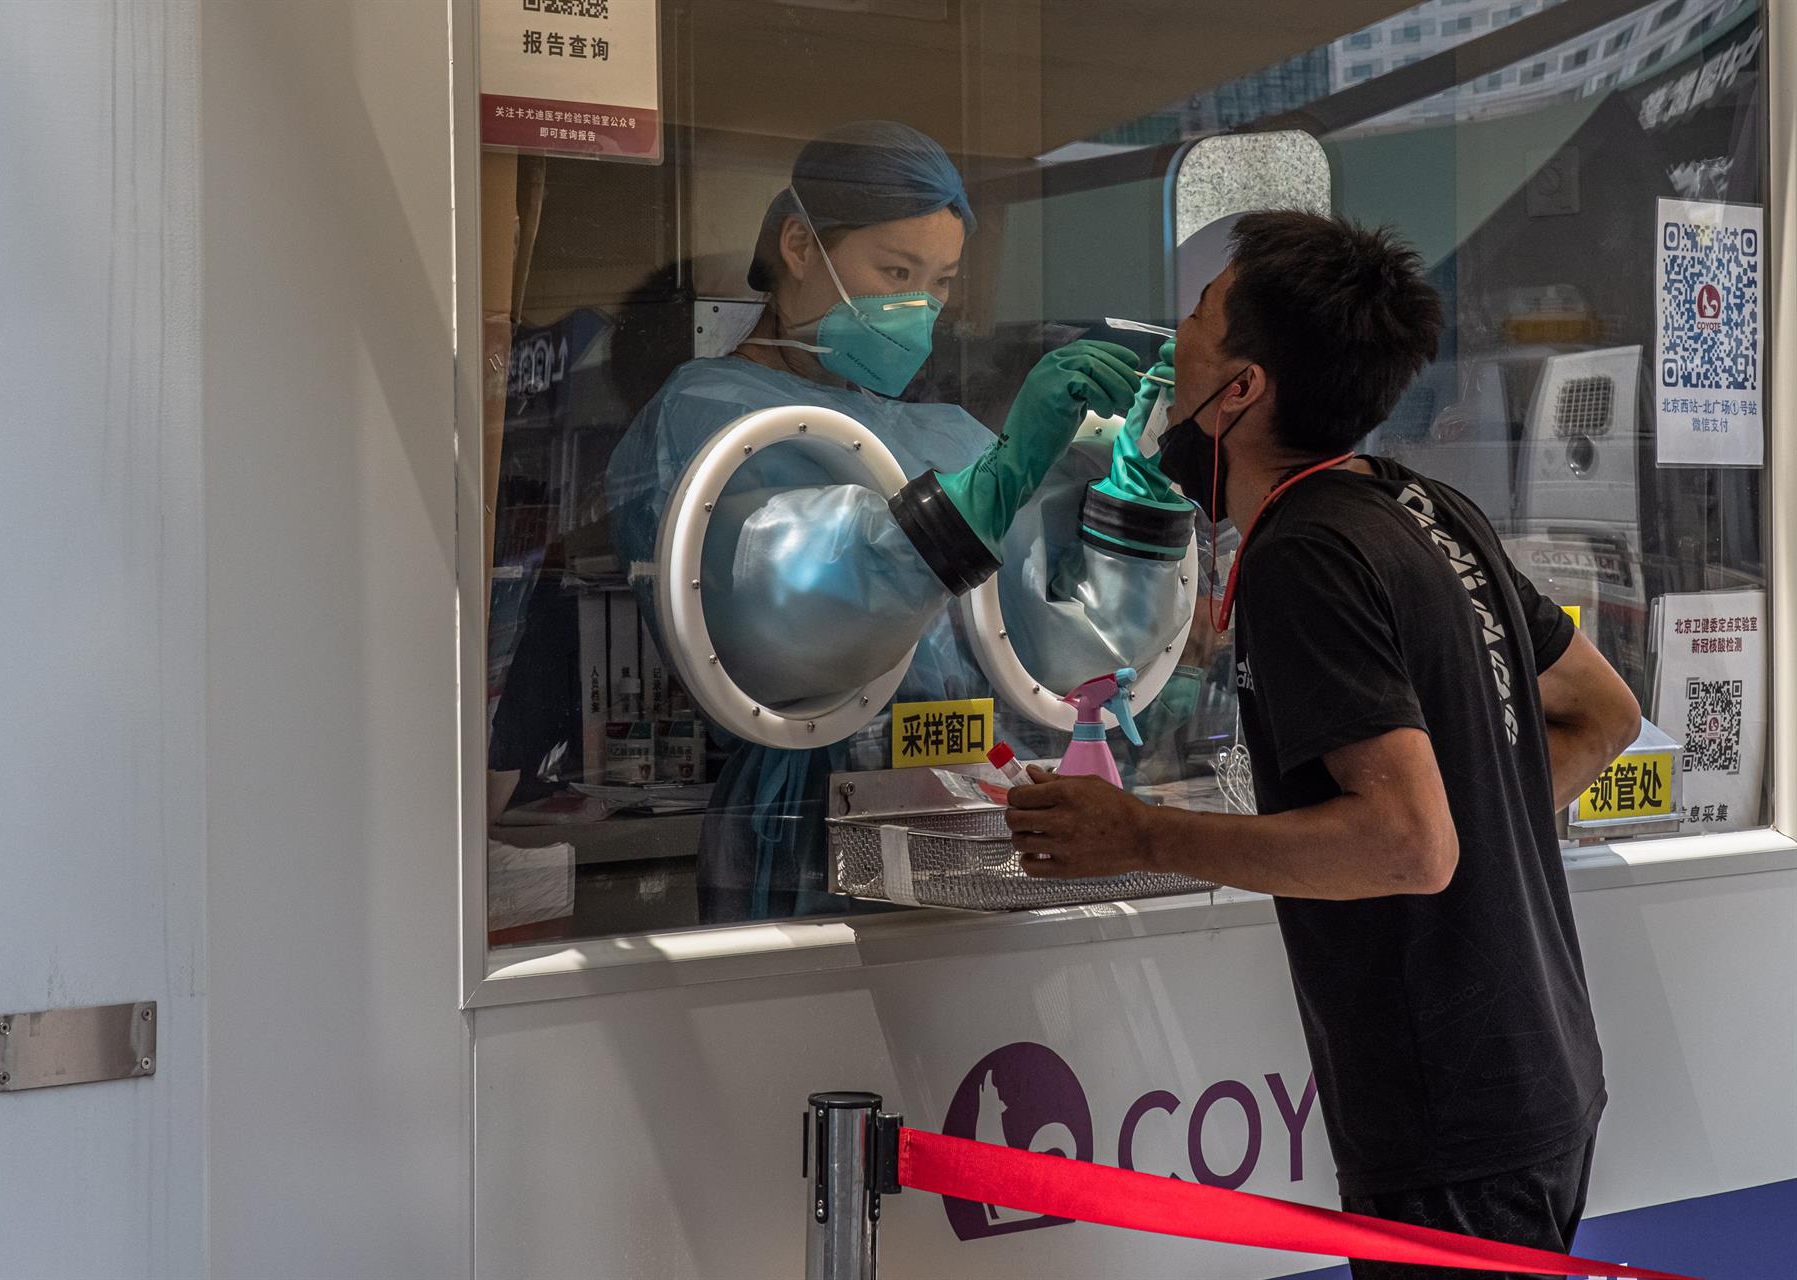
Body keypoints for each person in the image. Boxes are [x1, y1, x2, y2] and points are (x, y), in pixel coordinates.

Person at [1004, 211, 1642, 1278]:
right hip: (1537, 1074)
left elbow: (1408, 843)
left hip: (1451, 1121)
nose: (1172, 346)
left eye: (1197, 321)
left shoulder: (1305, 551)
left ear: (1241, 388)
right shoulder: (1426, 508)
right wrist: (1476, 818)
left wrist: (1137, 832)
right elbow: (1602, 712)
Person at [606, 120, 1204, 923]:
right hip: (813, 823)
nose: (919, 306)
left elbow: (1070, 654)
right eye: (895, 271)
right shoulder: (708, 417)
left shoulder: (945, 434)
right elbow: (801, 609)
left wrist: (1142, 472)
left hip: (984, 809)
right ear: (798, 245)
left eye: (942, 281)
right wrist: (1007, 472)